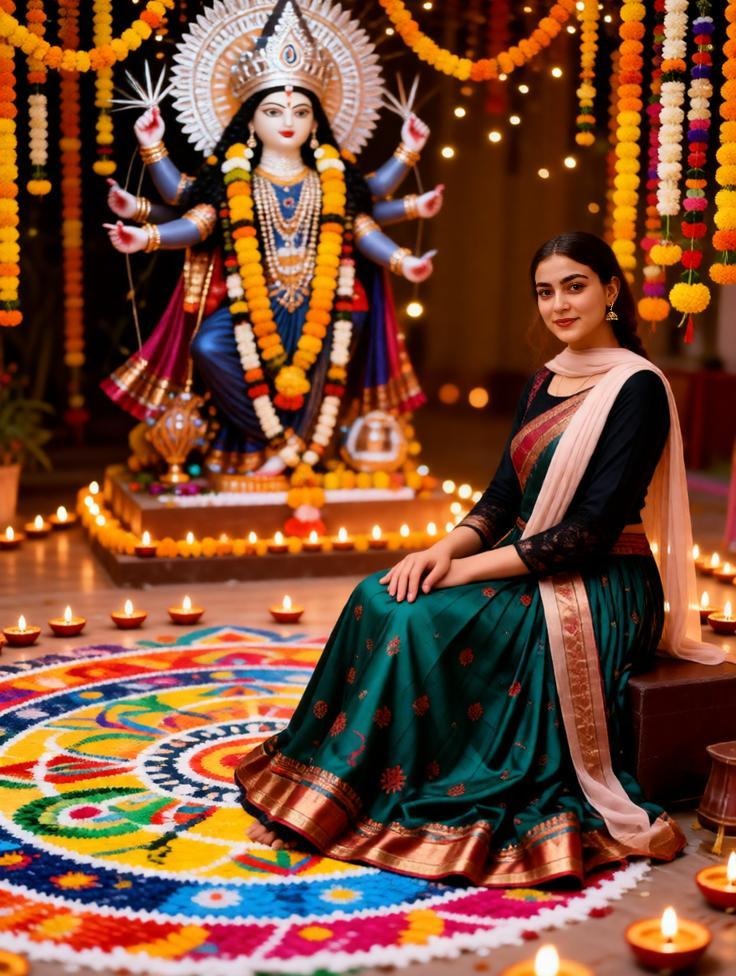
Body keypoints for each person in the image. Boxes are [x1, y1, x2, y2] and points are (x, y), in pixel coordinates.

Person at [235, 231, 724, 885]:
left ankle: (406, 801)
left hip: (601, 580)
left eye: (574, 286)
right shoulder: (545, 377)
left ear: (610, 290)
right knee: (379, 595)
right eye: (545, 291)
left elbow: (586, 534)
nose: (558, 304)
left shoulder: (636, 388)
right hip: (522, 554)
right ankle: (334, 786)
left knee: (421, 618)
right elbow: (500, 498)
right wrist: (438, 551)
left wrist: (463, 571)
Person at [102, 0, 443, 477]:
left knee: (333, 353)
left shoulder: (331, 180)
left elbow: (364, 224)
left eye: (302, 111)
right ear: (250, 119)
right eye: (275, 109)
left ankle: (299, 450)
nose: (289, 120)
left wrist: (406, 261)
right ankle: (282, 445)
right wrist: (148, 223)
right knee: (210, 349)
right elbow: (197, 220)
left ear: (315, 121)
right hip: (253, 300)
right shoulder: (235, 177)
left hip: (324, 301)